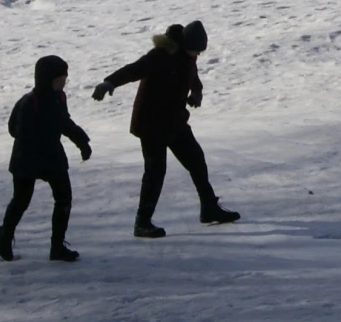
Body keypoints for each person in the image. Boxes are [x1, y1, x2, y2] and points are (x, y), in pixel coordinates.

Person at [94, 20, 240, 237]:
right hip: (151, 123)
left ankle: (209, 208)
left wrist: (196, 94)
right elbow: (134, 69)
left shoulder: (189, 57)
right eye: (194, 50)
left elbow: (194, 77)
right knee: (155, 172)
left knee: (196, 160)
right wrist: (109, 83)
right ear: (183, 44)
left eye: (199, 52)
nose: (196, 55)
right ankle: (142, 222)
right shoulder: (161, 56)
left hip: (175, 121)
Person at [0, 54, 92, 262]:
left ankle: (57, 246)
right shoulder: (29, 103)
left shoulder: (59, 98)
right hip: (27, 159)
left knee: (64, 199)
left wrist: (82, 142)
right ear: (49, 78)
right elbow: (16, 131)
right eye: (61, 78)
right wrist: (39, 148)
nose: (64, 81)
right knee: (21, 200)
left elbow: (64, 122)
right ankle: (5, 234)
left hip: (52, 156)